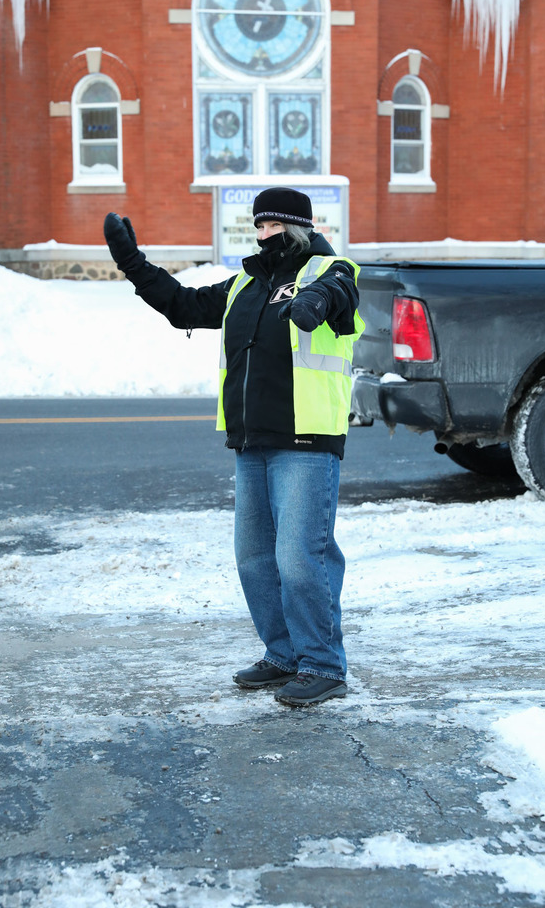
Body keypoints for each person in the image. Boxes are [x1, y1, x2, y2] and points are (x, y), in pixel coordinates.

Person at [103, 186, 364, 706]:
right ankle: (284, 655)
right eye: (256, 225)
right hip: (251, 441)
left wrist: (314, 301)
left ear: (291, 228)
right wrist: (132, 263)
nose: (259, 233)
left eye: (268, 226)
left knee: (300, 557)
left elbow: (340, 296)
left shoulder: (330, 270)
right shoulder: (246, 282)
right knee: (254, 559)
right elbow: (182, 306)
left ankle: (323, 664)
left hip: (307, 440)